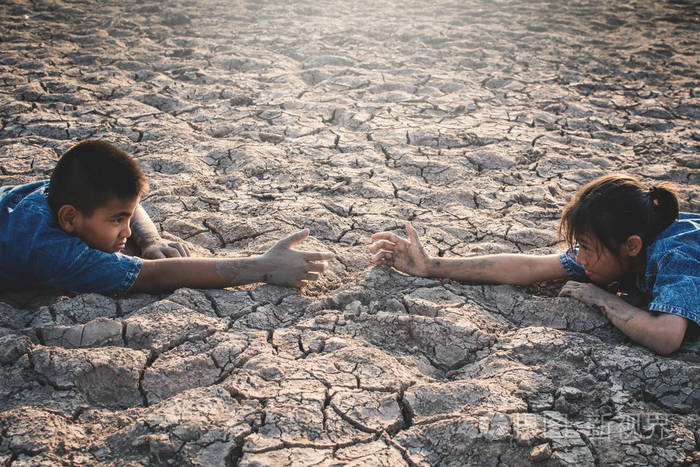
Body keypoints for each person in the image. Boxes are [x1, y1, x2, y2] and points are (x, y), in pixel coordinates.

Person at [369, 174, 699, 355]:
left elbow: (666, 337)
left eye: (586, 248)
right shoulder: (614, 244)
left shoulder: (676, 253)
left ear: (632, 246)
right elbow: (528, 268)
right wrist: (431, 266)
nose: (579, 258)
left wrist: (601, 299)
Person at [0, 140, 333, 294]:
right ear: (70, 218)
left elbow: (131, 203)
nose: (126, 232)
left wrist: (151, 239)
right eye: (116, 221)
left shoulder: (57, 190)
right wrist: (264, 267)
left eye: (126, 220)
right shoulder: (51, 250)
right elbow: (154, 276)